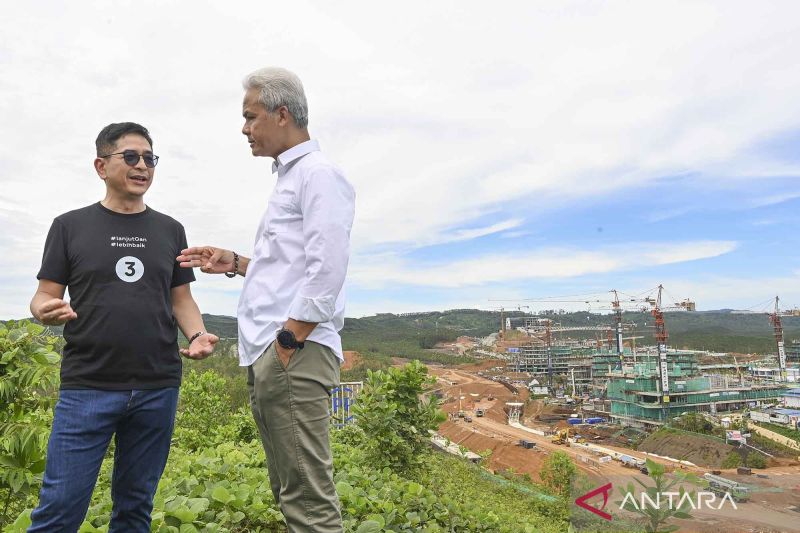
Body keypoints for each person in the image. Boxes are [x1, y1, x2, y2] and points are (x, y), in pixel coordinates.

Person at [177, 67, 355, 532]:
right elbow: (289, 267)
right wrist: (235, 262)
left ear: (282, 114)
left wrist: (289, 342)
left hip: (294, 352)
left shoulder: (318, 175)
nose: (244, 128)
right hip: (274, 353)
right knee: (289, 489)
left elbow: (327, 269)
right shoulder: (292, 178)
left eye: (250, 116)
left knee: (308, 500)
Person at [28, 122, 218, 532]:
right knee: (60, 509)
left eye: (150, 158)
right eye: (130, 156)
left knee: (135, 509)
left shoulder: (170, 229)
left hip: (157, 386)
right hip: (88, 385)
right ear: (101, 166)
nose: (142, 166)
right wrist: (45, 310)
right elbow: (43, 295)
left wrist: (198, 335)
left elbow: (181, 299)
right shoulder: (69, 226)